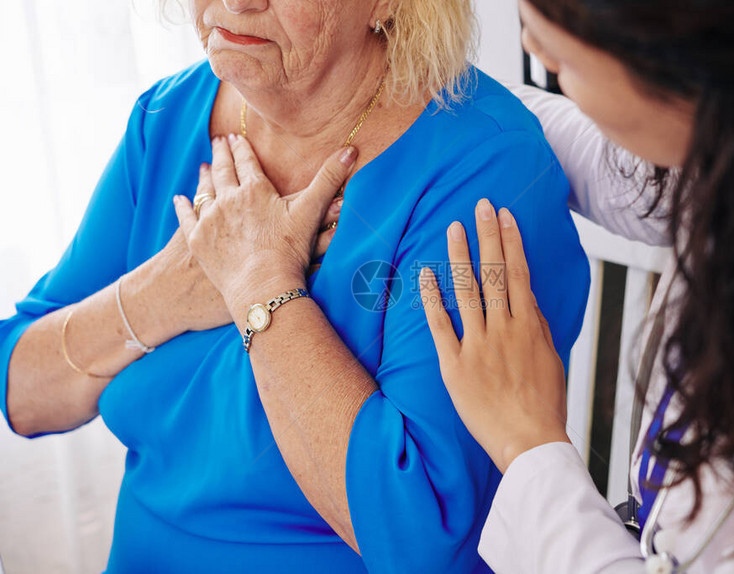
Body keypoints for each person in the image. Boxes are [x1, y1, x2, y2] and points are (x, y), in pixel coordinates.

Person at [0, 1, 590, 572]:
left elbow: (423, 541)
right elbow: (22, 389)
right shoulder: (166, 117)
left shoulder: (483, 169)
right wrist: (160, 296)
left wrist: (257, 281)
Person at [418, 0, 734, 572]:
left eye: (562, 61)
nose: (533, 51)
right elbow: (621, 168)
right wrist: (447, 99)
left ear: (684, 65)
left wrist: (527, 445)